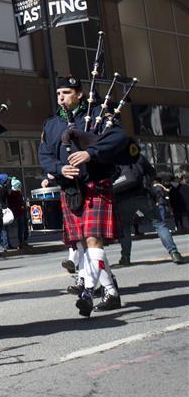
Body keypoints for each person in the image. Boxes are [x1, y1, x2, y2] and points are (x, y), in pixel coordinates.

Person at [39, 76, 129, 316]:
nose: (61, 98)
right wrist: (59, 169)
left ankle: (88, 291)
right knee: (85, 243)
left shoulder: (98, 113)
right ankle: (111, 292)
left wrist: (91, 153)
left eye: (66, 92)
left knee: (92, 240)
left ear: (79, 94)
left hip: (95, 183)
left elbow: (119, 139)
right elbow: (45, 155)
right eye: (58, 93)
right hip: (70, 188)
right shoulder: (52, 123)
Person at [114, 155, 183, 265]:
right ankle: (174, 252)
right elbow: (152, 173)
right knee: (159, 224)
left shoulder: (112, 157)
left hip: (123, 199)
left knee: (125, 228)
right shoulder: (136, 156)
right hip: (142, 195)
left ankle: (125, 258)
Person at [9, 177, 29, 248]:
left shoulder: (18, 192)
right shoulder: (13, 193)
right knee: (21, 227)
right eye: (19, 186)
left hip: (22, 212)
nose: (20, 187)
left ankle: (25, 241)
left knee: (25, 227)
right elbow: (14, 204)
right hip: (18, 212)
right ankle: (21, 242)